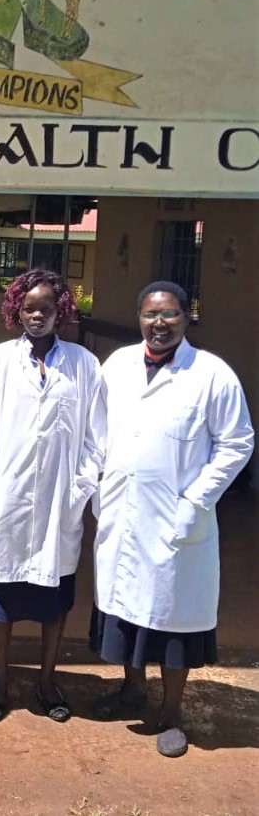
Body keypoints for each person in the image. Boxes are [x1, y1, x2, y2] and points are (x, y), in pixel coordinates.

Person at [92, 281, 254, 758]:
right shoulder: (118, 365)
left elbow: (237, 443)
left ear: (187, 318)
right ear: (138, 317)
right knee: (124, 609)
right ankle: (130, 690)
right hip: (122, 510)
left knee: (173, 618)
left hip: (177, 518)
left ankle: (171, 712)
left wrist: (196, 500)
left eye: (169, 315)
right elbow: (98, 430)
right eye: (149, 314)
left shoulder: (212, 375)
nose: (158, 323)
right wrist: (96, 485)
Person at [0, 269, 105, 724]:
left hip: (58, 504)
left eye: (46, 309)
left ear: (60, 312)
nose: (37, 315)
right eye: (28, 308)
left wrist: (80, 488)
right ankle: (0, 681)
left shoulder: (85, 365)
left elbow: (95, 438)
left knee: (56, 599)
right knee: (3, 598)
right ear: (16, 310)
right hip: (10, 501)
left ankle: (48, 681)